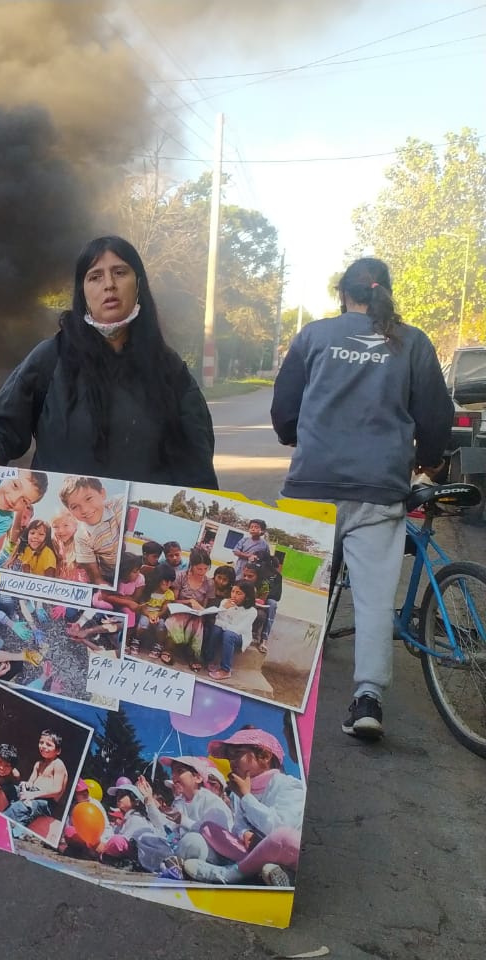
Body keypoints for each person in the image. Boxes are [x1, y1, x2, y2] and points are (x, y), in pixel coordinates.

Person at [272, 257, 453, 740]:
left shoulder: (312, 336)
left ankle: (275, 694)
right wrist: (430, 460)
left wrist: (298, 436)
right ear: (385, 293)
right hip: (379, 490)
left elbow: (283, 410)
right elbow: (436, 415)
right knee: (373, 600)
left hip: (312, 488)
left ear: (343, 294)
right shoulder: (412, 341)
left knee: (296, 593)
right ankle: (367, 698)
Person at [0, 235, 218, 492]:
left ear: (138, 284)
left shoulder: (168, 370)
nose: (109, 285)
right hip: (64, 523)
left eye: (120, 272)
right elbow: (1, 422)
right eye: (95, 276)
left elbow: (196, 463)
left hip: (142, 527)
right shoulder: (51, 358)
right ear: (82, 292)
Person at [176, 728, 305, 887]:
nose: (231, 762)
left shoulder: (288, 784)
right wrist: (244, 832)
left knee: (284, 836)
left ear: (264, 756)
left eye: (237, 754)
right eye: (229, 756)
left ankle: (230, 874)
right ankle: (263, 872)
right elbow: (238, 825)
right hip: (254, 853)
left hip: (287, 852)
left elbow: (279, 826)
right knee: (208, 828)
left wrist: (246, 796)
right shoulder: (238, 792)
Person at [4, 730, 70, 835]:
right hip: (32, 793)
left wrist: (32, 795)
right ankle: (16, 821)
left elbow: (57, 790)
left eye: (49, 744)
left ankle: (2, 821)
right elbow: (31, 782)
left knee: (20, 807)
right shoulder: (38, 764)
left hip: (46, 802)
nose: (43, 746)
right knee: (9, 789)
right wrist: (26, 785)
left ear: (58, 751)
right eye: (41, 742)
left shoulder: (58, 764)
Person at [164, 547, 218, 671]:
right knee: (177, 621)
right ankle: (168, 650)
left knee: (197, 625)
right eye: (199, 568)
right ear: (192, 566)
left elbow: (204, 606)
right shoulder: (181, 576)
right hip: (179, 611)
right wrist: (189, 602)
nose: (202, 571)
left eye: (206, 568)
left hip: (196, 615)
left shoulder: (209, 583)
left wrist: (202, 611)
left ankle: (193, 656)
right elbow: (173, 600)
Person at [201, 580, 258, 681]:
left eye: (238, 593)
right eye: (233, 591)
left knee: (228, 634)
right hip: (225, 631)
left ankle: (225, 670)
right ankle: (209, 660)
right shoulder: (225, 602)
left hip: (240, 636)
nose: (234, 595)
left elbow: (238, 629)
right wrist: (223, 608)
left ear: (247, 596)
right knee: (216, 629)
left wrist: (223, 625)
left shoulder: (252, 612)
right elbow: (218, 621)